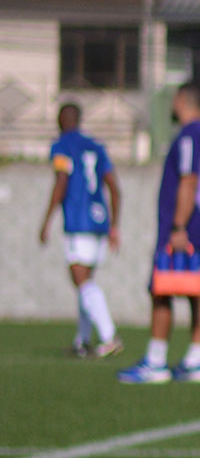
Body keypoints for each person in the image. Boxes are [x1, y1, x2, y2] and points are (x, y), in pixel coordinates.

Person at [117, 82, 200, 385]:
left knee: (161, 290)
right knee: (199, 292)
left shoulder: (189, 136)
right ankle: (195, 361)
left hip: (185, 229)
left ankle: (156, 361)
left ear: (181, 100)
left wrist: (178, 227)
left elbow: (188, 180)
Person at [41, 103, 123, 358]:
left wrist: (46, 220)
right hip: (100, 220)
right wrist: (114, 226)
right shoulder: (96, 147)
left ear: (62, 120)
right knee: (86, 282)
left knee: (80, 279)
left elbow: (62, 181)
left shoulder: (62, 146)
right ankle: (82, 340)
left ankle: (109, 336)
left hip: (79, 220)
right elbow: (114, 187)